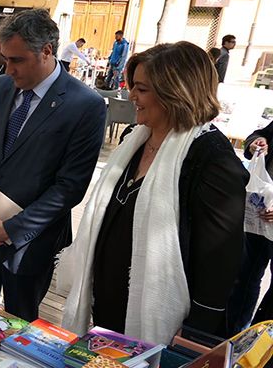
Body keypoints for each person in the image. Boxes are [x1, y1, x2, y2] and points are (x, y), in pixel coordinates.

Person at [58, 41, 247, 343]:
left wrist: (196, 329)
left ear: (176, 92)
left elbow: (220, 260)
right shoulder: (134, 139)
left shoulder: (211, 159)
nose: (131, 95)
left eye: (142, 89)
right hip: (107, 309)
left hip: (165, 325)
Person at [0, 9, 106, 321]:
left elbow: (70, 187)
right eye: (5, 59)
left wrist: (11, 229)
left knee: (21, 326)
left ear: (47, 51)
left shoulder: (85, 105)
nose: (8, 69)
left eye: (17, 60)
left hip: (29, 244)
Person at [226, 123, 273, 333]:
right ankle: (235, 335)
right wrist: (256, 143)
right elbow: (261, 134)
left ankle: (263, 342)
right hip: (260, 211)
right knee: (245, 276)